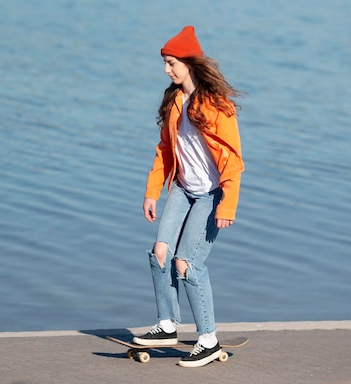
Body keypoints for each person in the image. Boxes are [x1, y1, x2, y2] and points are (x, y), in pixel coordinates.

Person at [133, 26, 244, 368]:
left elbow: (233, 159)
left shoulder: (217, 106)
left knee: (188, 264)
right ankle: (167, 325)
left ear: (188, 63)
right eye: (166, 63)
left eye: (171, 63)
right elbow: (165, 150)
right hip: (182, 189)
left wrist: (228, 203)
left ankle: (207, 340)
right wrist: (153, 192)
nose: (167, 70)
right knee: (161, 253)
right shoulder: (175, 100)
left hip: (211, 195)